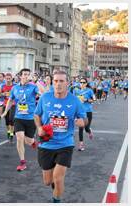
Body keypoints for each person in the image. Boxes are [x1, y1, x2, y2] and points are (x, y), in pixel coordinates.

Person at [34, 69, 87, 203]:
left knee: (58, 178)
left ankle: (56, 200)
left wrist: (82, 122)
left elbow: (84, 119)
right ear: (52, 83)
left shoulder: (74, 100)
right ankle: (55, 187)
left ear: (67, 83)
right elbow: (36, 115)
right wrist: (39, 127)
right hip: (46, 143)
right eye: (55, 81)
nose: (58, 84)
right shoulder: (45, 97)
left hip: (65, 144)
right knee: (48, 181)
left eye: (61, 81)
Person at [2, 68, 41, 171]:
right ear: (20, 76)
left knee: (28, 141)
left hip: (30, 118)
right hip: (18, 117)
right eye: (25, 74)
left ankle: (33, 142)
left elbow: (43, 93)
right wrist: (6, 111)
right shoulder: (15, 88)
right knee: (19, 138)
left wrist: (36, 81)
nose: (27, 76)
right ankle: (22, 162)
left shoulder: (33, 87)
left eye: (28, 74)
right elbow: (10, 100)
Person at [73, 78, 96, 151]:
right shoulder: (76, 91)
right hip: (80, 112)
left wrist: (87, 100)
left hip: (88, 111)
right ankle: (81, 144)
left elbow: (94, 100)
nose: (82, 84)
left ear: (86, 83)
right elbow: (73, 99)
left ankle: (89, 131)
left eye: (83, 82)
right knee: (80, 127)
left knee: (86, 128)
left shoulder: (89, 91)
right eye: (81, 82)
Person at [0, 73, 15, 142]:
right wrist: (3, 94)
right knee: (7, 120)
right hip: (5, 104)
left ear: (11, 78)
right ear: (5, 79)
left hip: (13, 104)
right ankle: (8, 131)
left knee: (11, 119)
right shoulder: (2, 86)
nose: (8, 80)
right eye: (7, 79)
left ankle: (11, 133)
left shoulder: (15, 86)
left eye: (9, 78)